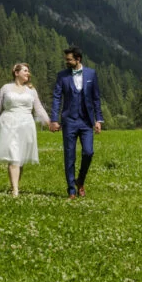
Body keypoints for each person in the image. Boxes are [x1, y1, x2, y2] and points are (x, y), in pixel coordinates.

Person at [0, 63, 50, 197]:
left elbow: (38, 108)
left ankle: (15, 186)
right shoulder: (6, 88)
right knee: (14, 156)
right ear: (16, 73)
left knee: (20, 158)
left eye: (28, 71)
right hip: (8, 124)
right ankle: (15, 191)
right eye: (25, 71)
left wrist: (49, 122)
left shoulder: (31, 90)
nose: (28, 73)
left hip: (26, 125)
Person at [50, 46, 103, 199]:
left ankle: (80, 180)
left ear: (78, 59)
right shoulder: (62, 76)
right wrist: (54, 119)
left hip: (86, 121)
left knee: (89, 152)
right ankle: (71, 190)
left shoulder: (91, 74)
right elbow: (57, 98)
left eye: (69, 59)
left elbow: (96, 98)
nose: (66, 62)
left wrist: (98, 120)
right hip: (69, 121)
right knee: (69, 155)